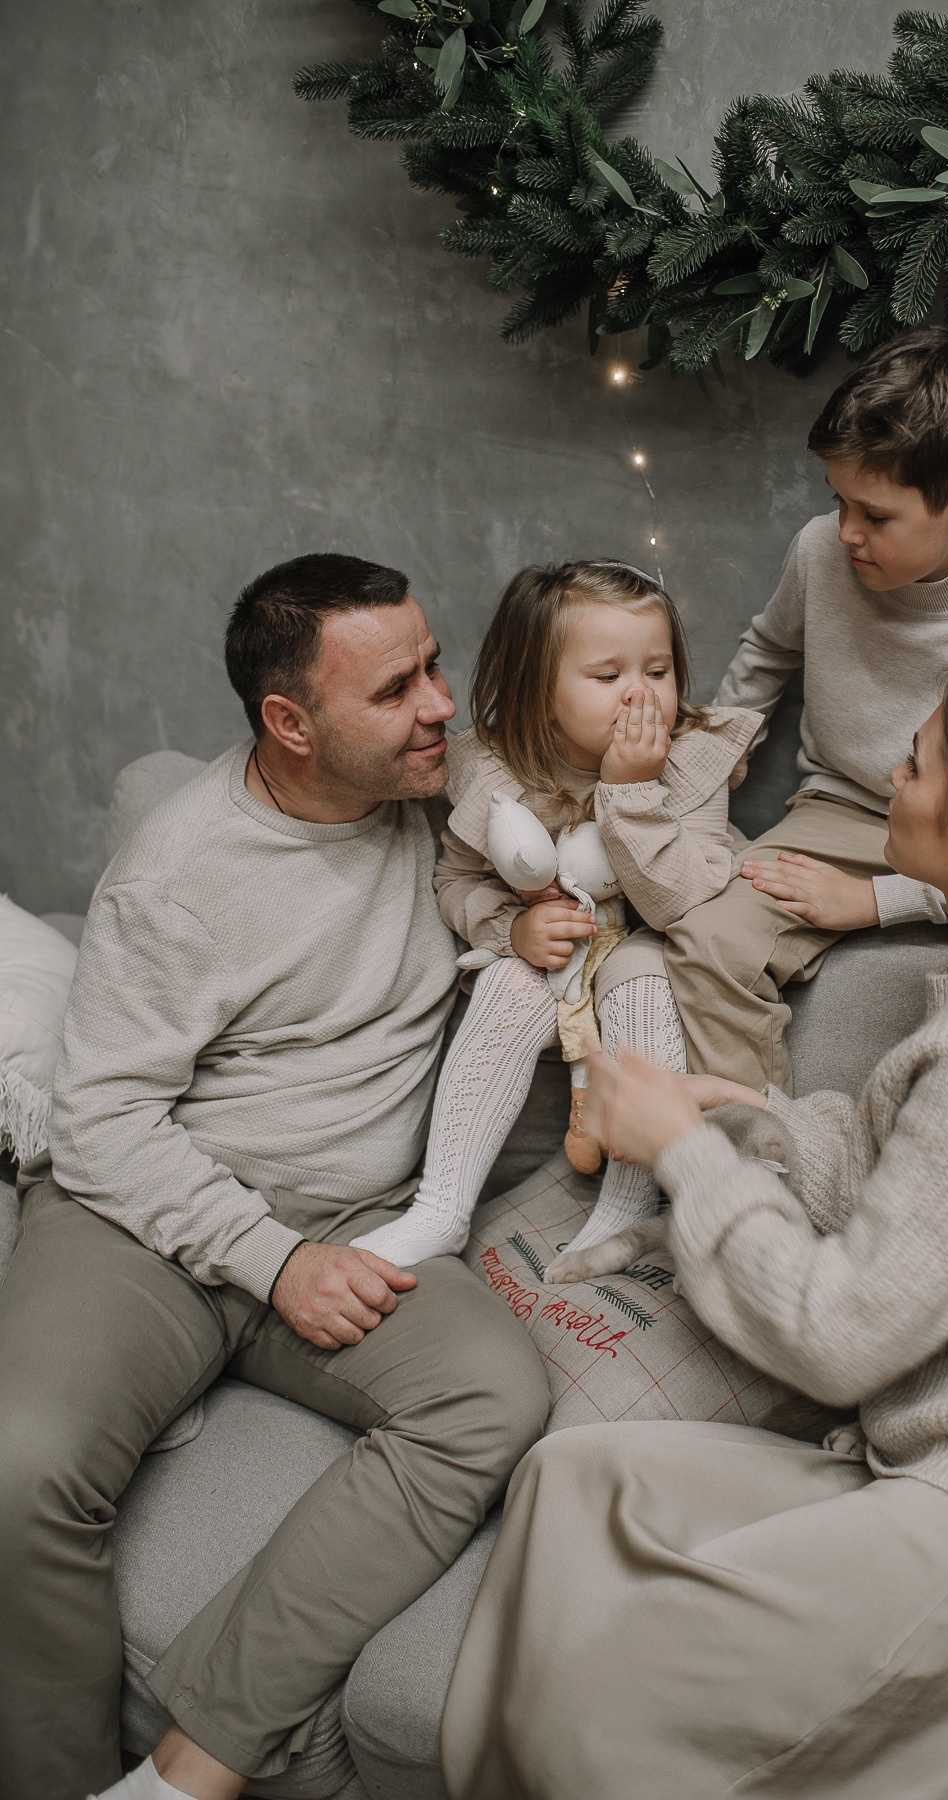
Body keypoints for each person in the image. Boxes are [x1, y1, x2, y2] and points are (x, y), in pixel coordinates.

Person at [440, 661, 948, 1800]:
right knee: (574, 1480)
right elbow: (920, 1178)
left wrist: (682, 1156)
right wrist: (740, 1116)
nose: (886, 781)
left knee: (599, 1701)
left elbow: (838, 1335)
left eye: (913, 765)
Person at [0, 554, 550, 1800]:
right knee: (18, 1468)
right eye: (396, 688)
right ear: (288, 725)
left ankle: (183, 1770)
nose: (438, 707)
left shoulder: (441, 792)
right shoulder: (178, 876)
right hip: (155, 1214)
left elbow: (590, 766)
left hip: (365, 1219)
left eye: (431, 664)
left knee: (488, 1401)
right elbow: (102, 1121)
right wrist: (273, 1263)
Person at [664, 326, 948, 1093]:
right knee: (704, 934)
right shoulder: (821, 550)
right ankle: (757, 1159)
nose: (847, 531)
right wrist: (701, 779)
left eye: (877, 515)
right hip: (837, 811)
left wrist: (874, 902)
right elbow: (766, 655)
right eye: (838, 501)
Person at [352, 559, 759, 1276]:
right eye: (608, 677)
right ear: (541, 693)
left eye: (658, 671)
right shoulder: (498, 767)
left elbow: (677, 902)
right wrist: (507, 929)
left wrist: (631, 791)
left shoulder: (692, 763)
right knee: (510, 980)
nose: (640, 695)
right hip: (551, 962)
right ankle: (442, 1208)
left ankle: (627, 1207)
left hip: (647, 947)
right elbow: (454, 880)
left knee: (644, 976)